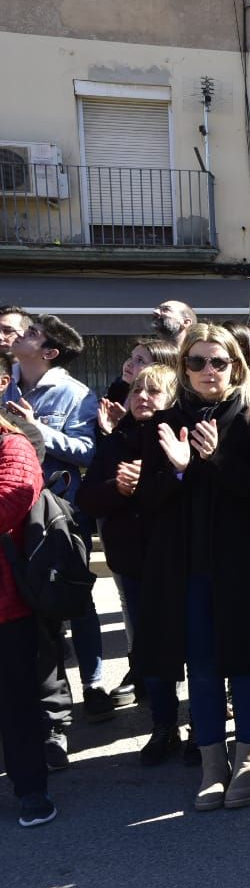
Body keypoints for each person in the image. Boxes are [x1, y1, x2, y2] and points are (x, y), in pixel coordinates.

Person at [137, 325, 250, 811]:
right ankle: (211, 762)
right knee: (202, 668)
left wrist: (213, 457)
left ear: (236, 366)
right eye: (198, 363)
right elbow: (147, 499)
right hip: (186, 567)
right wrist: (182, 468)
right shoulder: (164, 421)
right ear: (184, 369)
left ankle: (248, 758)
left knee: (247, 665)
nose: (208, 372)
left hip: (244, 565)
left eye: (218, 362)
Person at [4, 314, 112, 736]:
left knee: (74, 599)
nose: (18, 336)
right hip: (11, 515)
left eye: (30, 334)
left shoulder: (76, 394)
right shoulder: (6, 383)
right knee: (29, 609)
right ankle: (48, 705)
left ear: (49, 352)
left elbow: (87, 452)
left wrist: (35, 429)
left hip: (57, 516)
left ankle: (94, 682)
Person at [79, 365, 181, 765]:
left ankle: (204, 731)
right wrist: (116, 488)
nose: (142, 396)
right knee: (149, 650)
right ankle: (164, 726)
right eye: (138, 389)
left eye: (154, 391)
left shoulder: (179, 434)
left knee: (193, 647)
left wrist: (162, 476)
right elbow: (88, 498)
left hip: (179, 561)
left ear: (172, 399)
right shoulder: (115, 441)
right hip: (134, 564)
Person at [0, 415, 49, 825]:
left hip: (8, 605)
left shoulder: (12, 445)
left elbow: (12, 499)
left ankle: (31, 788)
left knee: (16, 702)